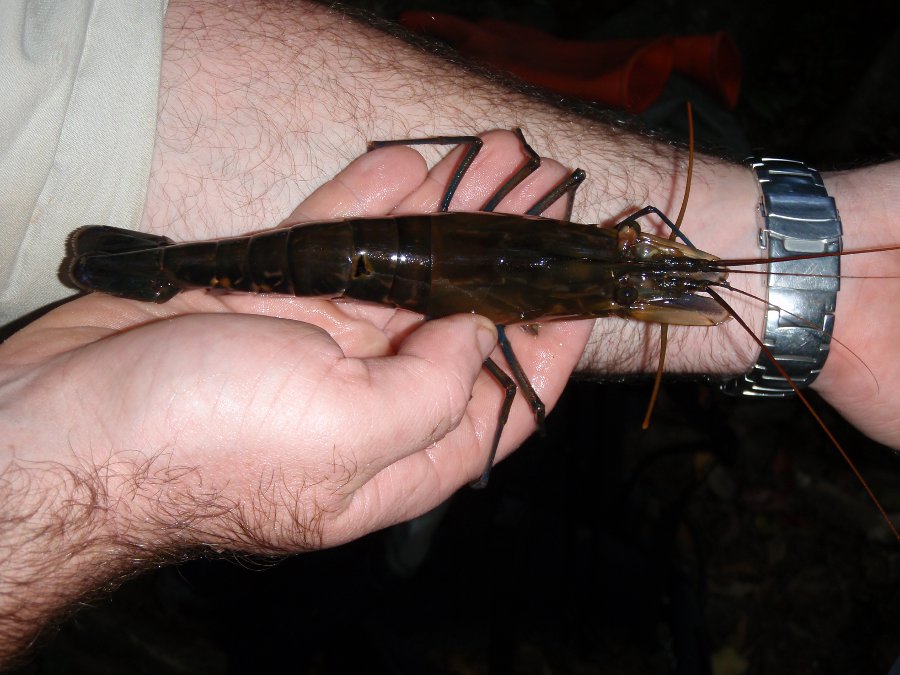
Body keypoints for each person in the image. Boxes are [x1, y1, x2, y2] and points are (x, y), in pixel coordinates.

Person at [1, 0, 899, 665]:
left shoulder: (603, 254)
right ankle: (168, 264)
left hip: (402, 243)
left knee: (514, 169)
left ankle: (168, 263)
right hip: (369, 255)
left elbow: (600, 225)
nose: (631, 268)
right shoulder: (602, 277)